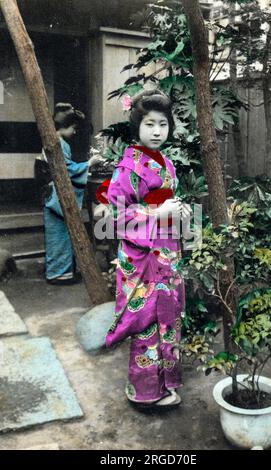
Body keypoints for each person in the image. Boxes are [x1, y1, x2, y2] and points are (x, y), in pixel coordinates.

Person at [104, 89, 192, 407]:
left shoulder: (167, 164)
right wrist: (158, 213)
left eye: (163, 125)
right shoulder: (127, 168)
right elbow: (116, 216)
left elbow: (170, 204)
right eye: (150, 124)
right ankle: (144, 392)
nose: (157, 131)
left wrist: (179, 212)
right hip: (143, 257)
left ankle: (167, 383)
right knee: (148, 321)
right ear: (137, 125)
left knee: (169, 317)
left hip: (167, 250)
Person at [39, 103, 99, 285]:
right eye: (73, 127)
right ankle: (58, 273)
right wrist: (89, 163)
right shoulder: (57, 143)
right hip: (56, 196)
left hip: (53, 193)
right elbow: (67, 169)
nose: (74, 132)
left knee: (61, 235)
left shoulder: (57, 142)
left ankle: (61, 270)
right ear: (64, 126)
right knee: (59, 236)